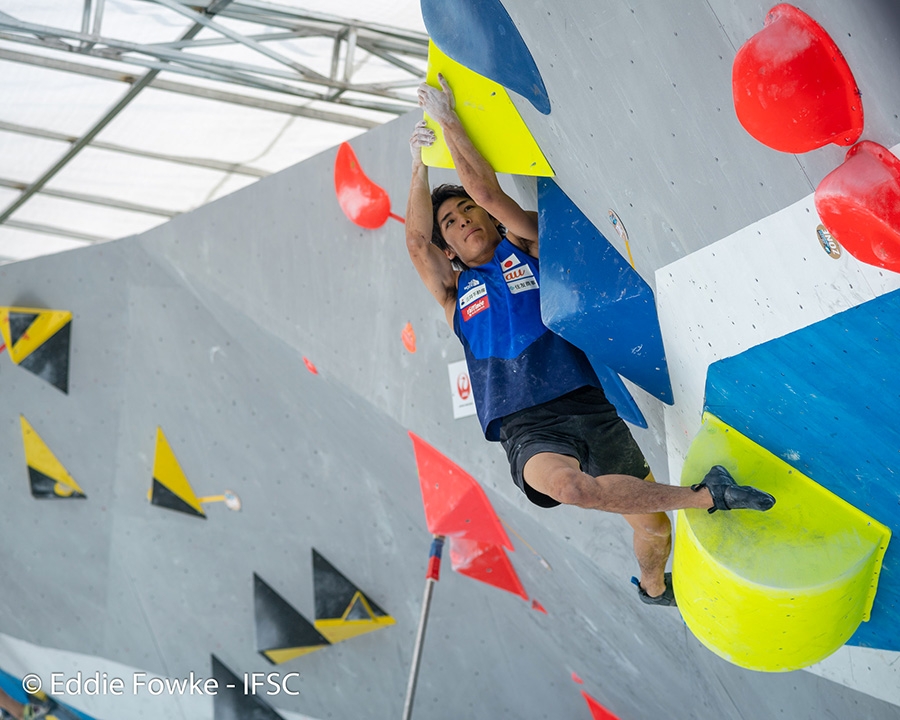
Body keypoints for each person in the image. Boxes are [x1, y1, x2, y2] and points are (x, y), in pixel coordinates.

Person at [405, 75, 775, 606]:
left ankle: (651, 586)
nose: (464, 220)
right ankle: (707, 496)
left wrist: (449, 121)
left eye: (468, 211)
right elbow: (417, 245)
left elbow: (485, 189)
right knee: (572, 489)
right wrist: (418, 165)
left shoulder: (524, 242)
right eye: (451, 223)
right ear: (451, 251)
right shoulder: (454, 292)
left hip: (588, 407)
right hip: (526, 427)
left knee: (653, 533)